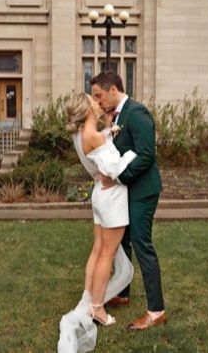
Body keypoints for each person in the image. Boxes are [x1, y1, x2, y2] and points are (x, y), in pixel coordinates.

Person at [90, 71, 167, 332]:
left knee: (141, 243)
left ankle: (156, 311)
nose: (98, 103)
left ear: (113, 89)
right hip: (128, 190)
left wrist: (119, 178)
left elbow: (146, 155)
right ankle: (122, 292)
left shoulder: (137, 112)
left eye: (99, 96)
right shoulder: (118, 116)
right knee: (122, 240)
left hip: (143, 190)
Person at [60, 89, 136, 345]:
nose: (97, 101)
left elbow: (102, 156)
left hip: (98, 196)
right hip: (111, 197)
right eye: (93, 100)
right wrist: (132, 154)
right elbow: (114, 168)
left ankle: (89, 297)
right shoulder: (93, 136)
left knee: (97, 250)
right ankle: (97, 308)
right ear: (87, 108)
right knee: (107, 254)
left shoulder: (84, 134)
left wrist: (108, 130)